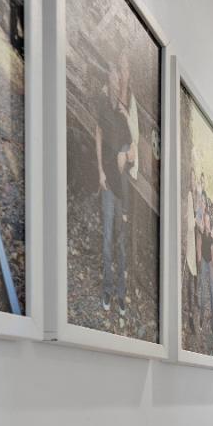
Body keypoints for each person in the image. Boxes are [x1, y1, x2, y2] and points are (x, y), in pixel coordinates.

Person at [94, 52, 135, 321]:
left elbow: (131, 152)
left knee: (120, 242)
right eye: (114, 76)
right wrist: (99, 170)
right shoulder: (101, 104)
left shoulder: (122, 112)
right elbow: (97, 136)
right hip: (108, 182)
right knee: (108, 238)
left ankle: (121, 292)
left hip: (122, 184)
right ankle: (108, 289)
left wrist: (124, 155)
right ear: (108, 80)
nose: (116, 80)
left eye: (119, 76)